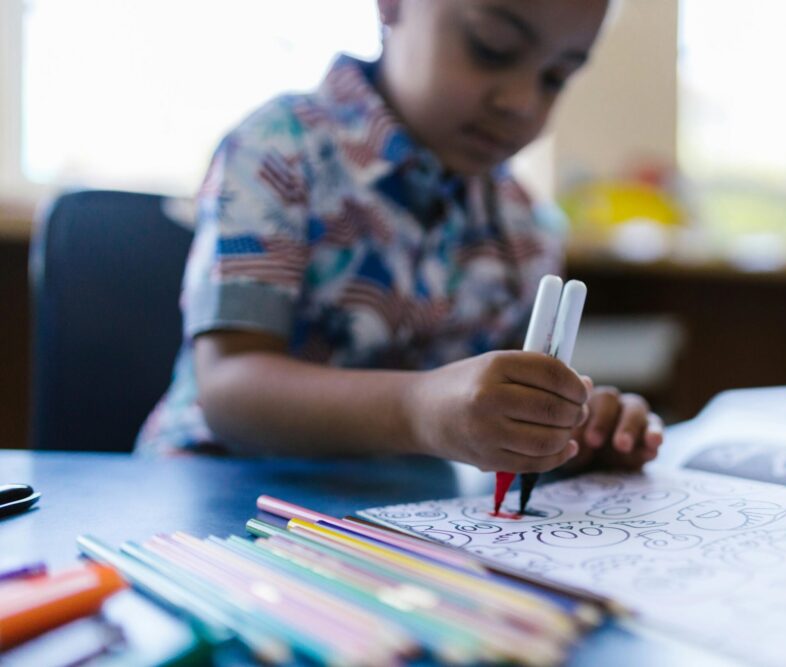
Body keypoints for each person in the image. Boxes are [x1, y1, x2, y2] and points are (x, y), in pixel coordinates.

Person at [136, 0, 664, 475]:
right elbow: (229, 389)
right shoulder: (280, 150)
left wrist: (562, 430)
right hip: (211, 490)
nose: (522, 102)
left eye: (555, 77)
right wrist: (419, 410)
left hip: (397, 520)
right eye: (491, 48)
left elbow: (493, 410)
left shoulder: (524, 230)